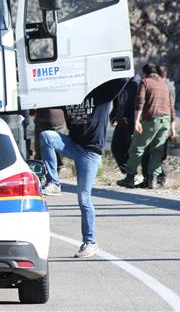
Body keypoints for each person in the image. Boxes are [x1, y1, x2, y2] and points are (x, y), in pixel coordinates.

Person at [39, 79, 127, 258]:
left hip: (90, 153)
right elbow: (43, 90)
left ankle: (90, 242)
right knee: (47, 136)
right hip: (73, 145)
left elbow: (123, 79)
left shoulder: (101, 94)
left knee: (84, 198)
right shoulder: (67, 95)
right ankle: (54, 182)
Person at [117, 63, 176, 189]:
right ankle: (152, 181)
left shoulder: (145, 82)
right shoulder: (164, 84)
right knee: (156, 150)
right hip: (165, 121)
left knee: (137, 149)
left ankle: (129, 178)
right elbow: (171, 108)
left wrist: (137, 121)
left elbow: (140, 102)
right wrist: (173, 128)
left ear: (145, 73)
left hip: (151, 120)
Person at [110, 72, 141, 173]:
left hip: (131, 124)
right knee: (115, 147)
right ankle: (128, 172)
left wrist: (130, 118)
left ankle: (132, 174)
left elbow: (141, 104)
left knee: (130, 150)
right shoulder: (121, 83)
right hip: (120, 122)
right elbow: (116, 101)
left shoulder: (137, 84)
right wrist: (113, 115)